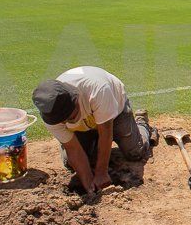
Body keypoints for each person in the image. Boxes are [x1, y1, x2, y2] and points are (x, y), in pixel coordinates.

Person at [32, 66, 156, 195]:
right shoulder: (50, 114)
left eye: (71, 117)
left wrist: (101, 173)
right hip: (87, 124)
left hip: (115, 112)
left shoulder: (98, 91)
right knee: (70, 163)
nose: (66, 123)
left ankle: (142, 124)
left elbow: (106, 133)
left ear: (76, 100)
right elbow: (72, 148)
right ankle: (93, 140)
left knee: (135, 152)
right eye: (62, 121)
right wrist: (89, 184)